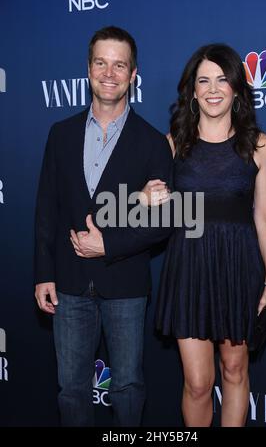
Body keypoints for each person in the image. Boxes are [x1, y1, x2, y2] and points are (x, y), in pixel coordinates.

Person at [34, 26, 172, 427]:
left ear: (133, 75)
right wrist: (43, 273)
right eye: (101, 63)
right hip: (68, 282)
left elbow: (163, 222)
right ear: (88, 68)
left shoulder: (152, 142)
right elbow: (47, 208)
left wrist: (107, 245)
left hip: (125, 285)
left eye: (119, 65)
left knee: (127, 386)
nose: (109, 73)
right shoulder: (60, 134)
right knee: (71, 388)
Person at [153, 43, 266, 427]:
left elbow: (265, 217)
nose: (213, 89)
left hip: (237, 265)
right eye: (203, 81)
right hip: (189, 267)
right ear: (192, 91)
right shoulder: (173, 144)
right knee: (197, 383)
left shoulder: (259, 146)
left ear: (236, 88)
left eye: (222, 79)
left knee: (233, 370)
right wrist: (146, 199)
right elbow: (148, 209)